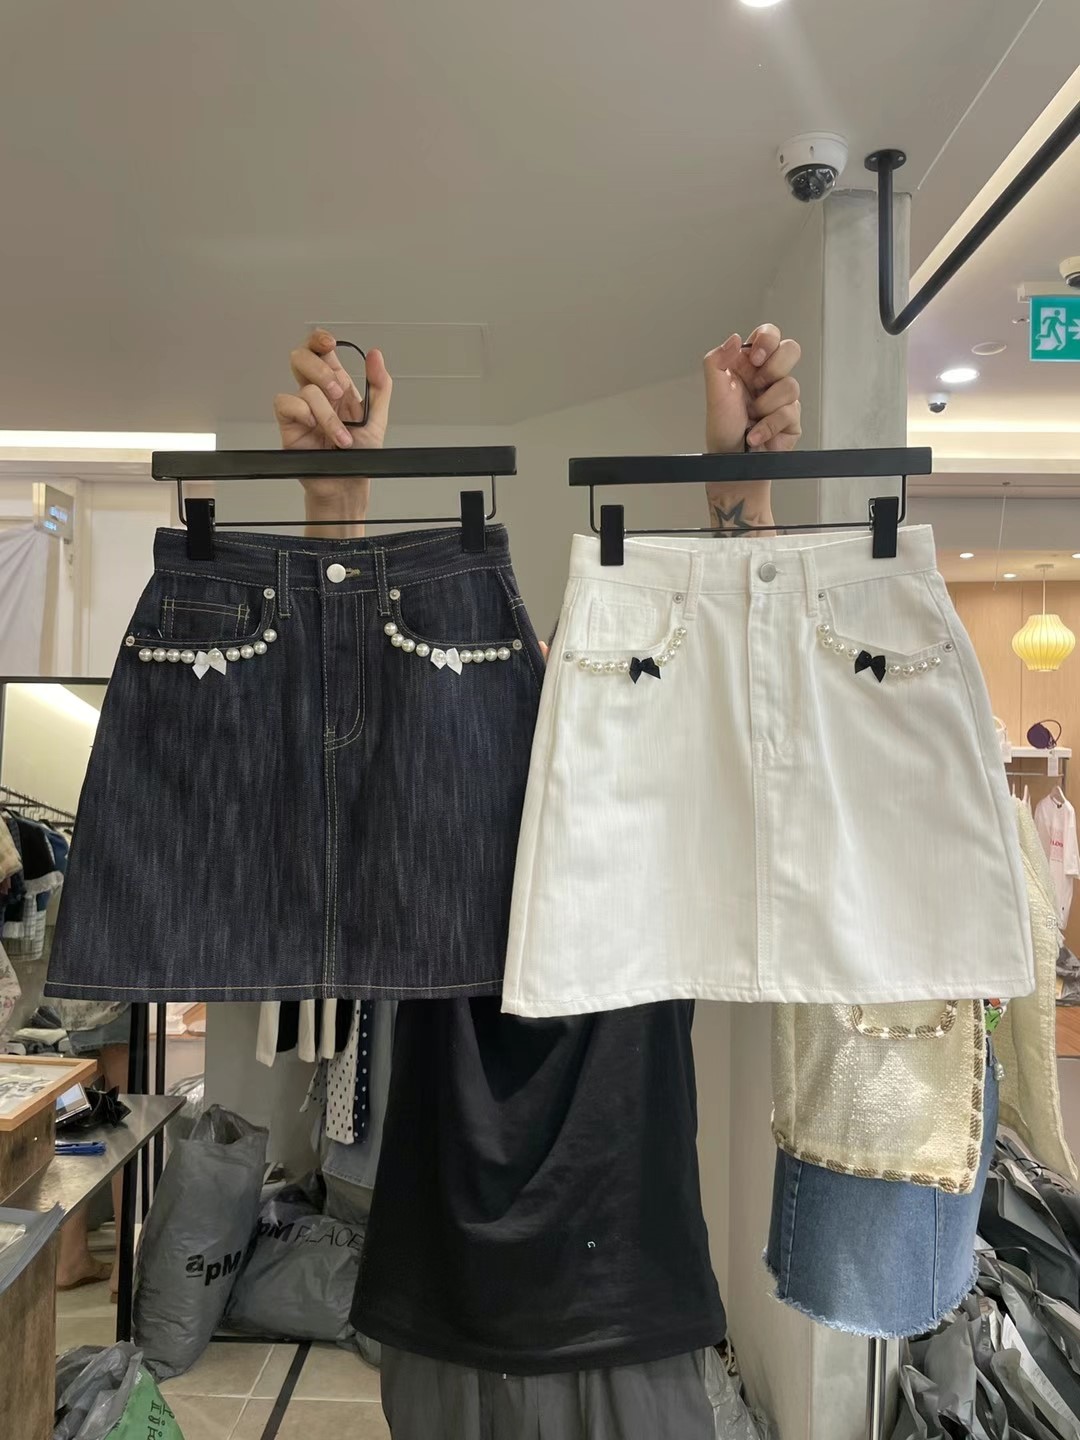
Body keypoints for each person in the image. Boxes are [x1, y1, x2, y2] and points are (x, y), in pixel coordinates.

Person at [272, 326, 802, 1438]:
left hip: (626, 1309)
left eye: (579, 679)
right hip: (444, 1309)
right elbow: (332, 728)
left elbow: (753, 705)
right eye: (521, 681)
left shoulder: (658, 836)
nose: (548, 706)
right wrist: (338, 509)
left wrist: (740, 497)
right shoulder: (426, 823)